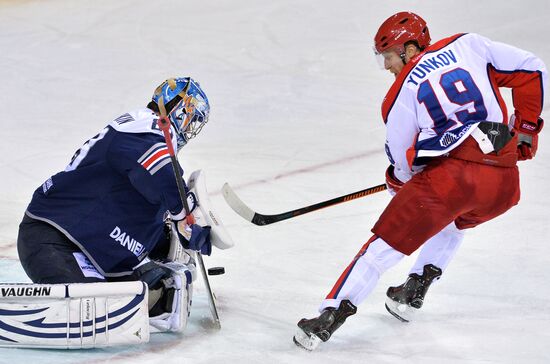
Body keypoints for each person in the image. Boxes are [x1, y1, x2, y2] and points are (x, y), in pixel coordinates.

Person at [294, 12, 547, 350]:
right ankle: (414, 289)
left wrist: (400, 185)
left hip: (454, 180)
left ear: (410, 49)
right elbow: (532, 68)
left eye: (389, 55)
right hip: (504, 180)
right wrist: (527, 128)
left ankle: (327, 318)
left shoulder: (399, 94)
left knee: (379, 250)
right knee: (454, 222)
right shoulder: (467, 44)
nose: (386, 66)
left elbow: (402, 160)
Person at [17, 77, 212, 333]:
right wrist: (184, 216)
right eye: (190, 117)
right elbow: (163, 175)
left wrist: (171, 239)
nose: (189, 127)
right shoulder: (146, 126)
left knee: (161, 292)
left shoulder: (151, 140)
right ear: (178, 108)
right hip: (55, 237)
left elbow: (135, 198)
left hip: (90, 251)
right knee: (90, 311)